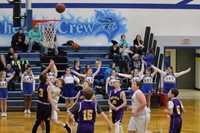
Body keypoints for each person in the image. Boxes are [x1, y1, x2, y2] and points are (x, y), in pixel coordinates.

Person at [32, 61, 59, 133]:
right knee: (47, 123)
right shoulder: (48, 87)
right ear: (47, 79)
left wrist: (49, 67)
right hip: (46, 106)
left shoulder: (40, 83)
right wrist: (55, 107)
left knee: (37, 122)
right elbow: (50, 98)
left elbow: (42, 74)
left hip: (39, 104)